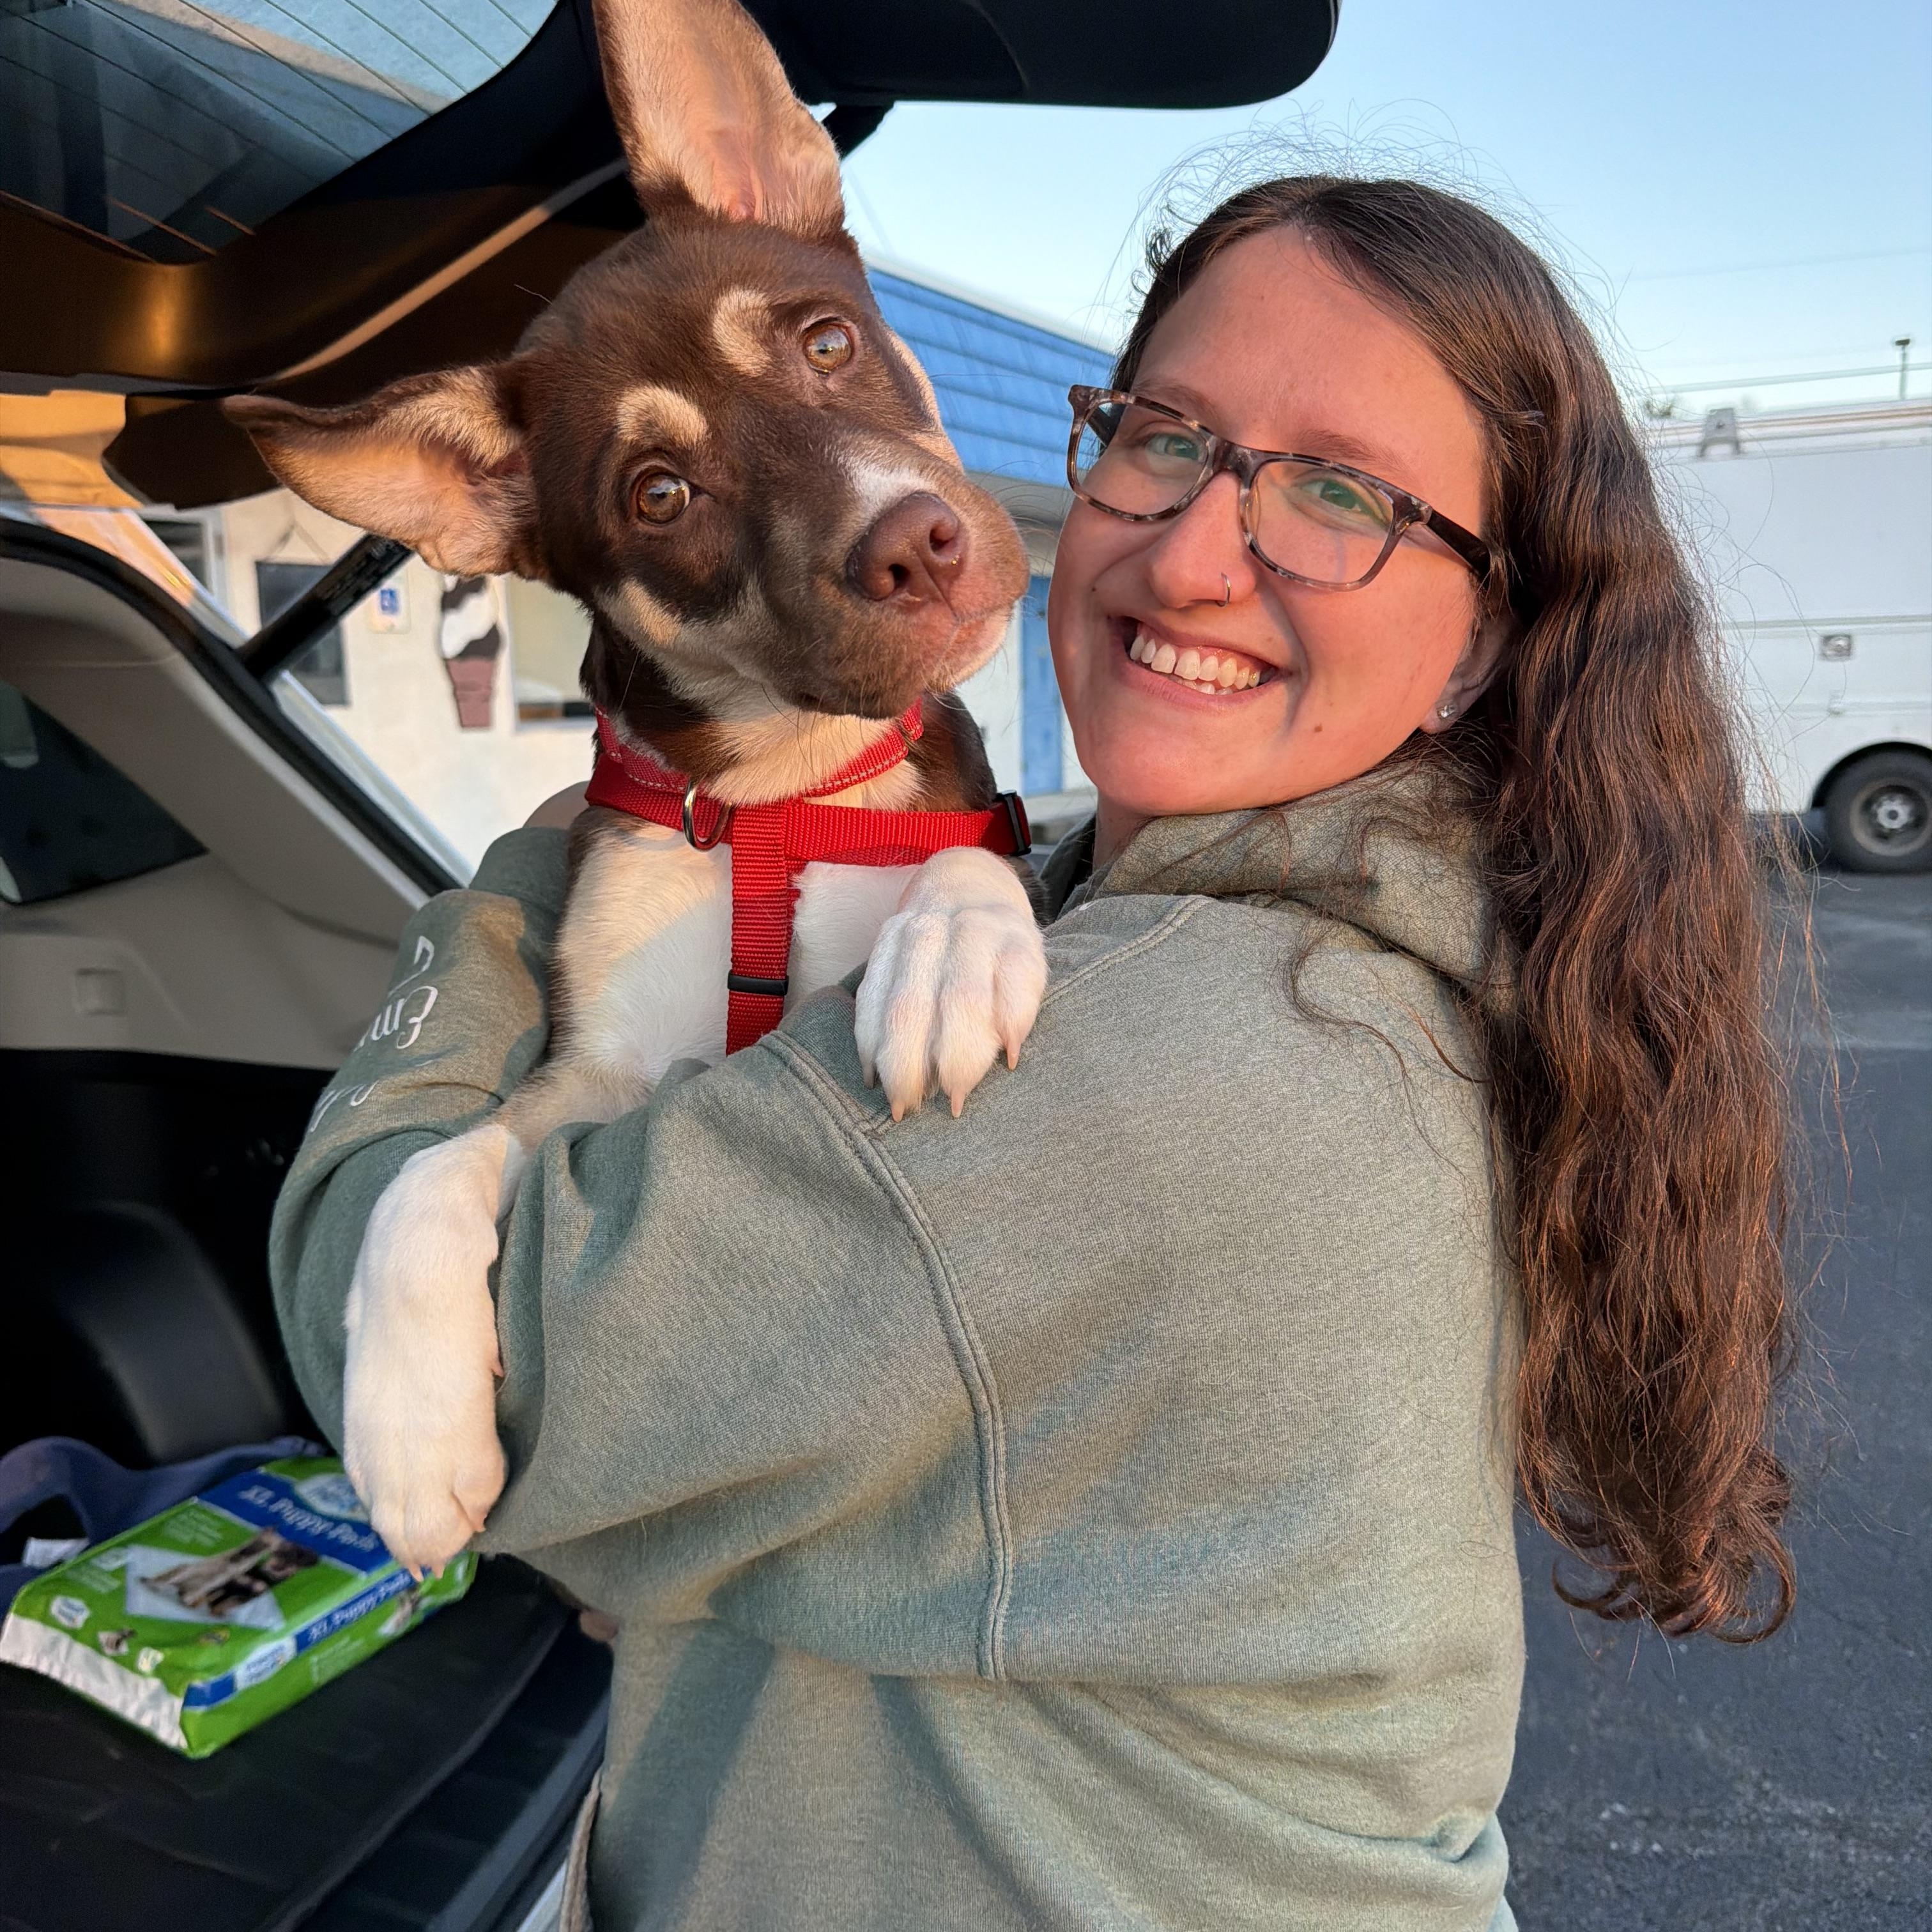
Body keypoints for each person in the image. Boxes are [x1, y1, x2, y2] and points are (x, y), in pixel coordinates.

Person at [271, 176, 1797, 1931]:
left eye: (1343, 495)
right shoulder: (1204, 913)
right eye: (1168, 438)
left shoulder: (1190, 1074)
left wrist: (514, 895)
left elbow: (496, 1395)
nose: (1199, 549)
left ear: (1492, 633)